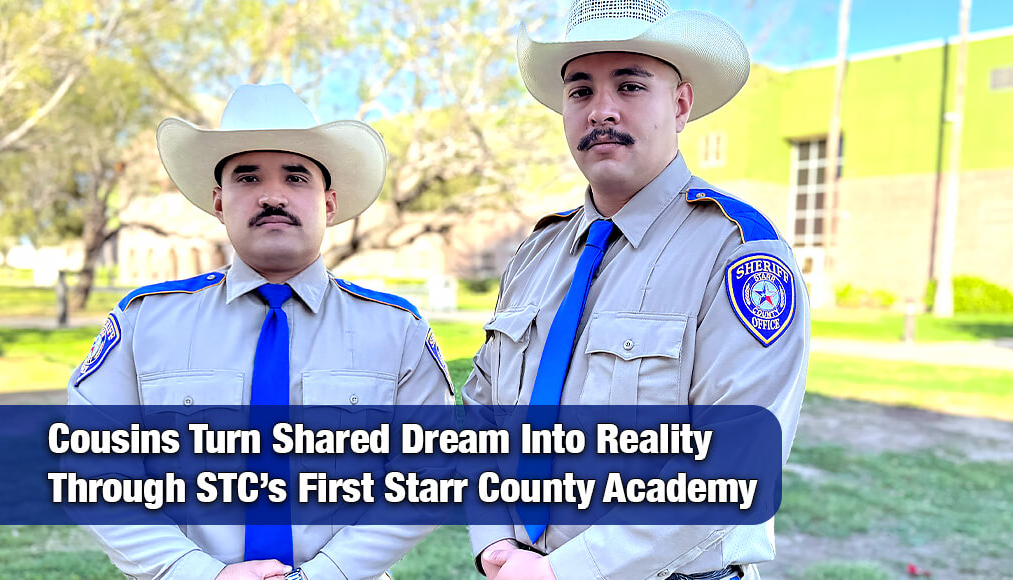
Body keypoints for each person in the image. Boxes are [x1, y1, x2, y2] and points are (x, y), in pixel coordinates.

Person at [463, 1, 809, 579]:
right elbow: (482, 412)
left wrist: (563, 572)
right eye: (580, 91)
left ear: (679, 105)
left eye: (629, 85)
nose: (601, 110)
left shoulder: (740, 254)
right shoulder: (536, 254)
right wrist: (494, 538)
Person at [67, 83, 454, 580]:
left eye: (296, 177)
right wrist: (202, 575)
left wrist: (323, 575)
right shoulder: (145, 324)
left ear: (329, 203)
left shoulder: (396, 331)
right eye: (247, 178)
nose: (272, 195)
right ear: (219, 202)